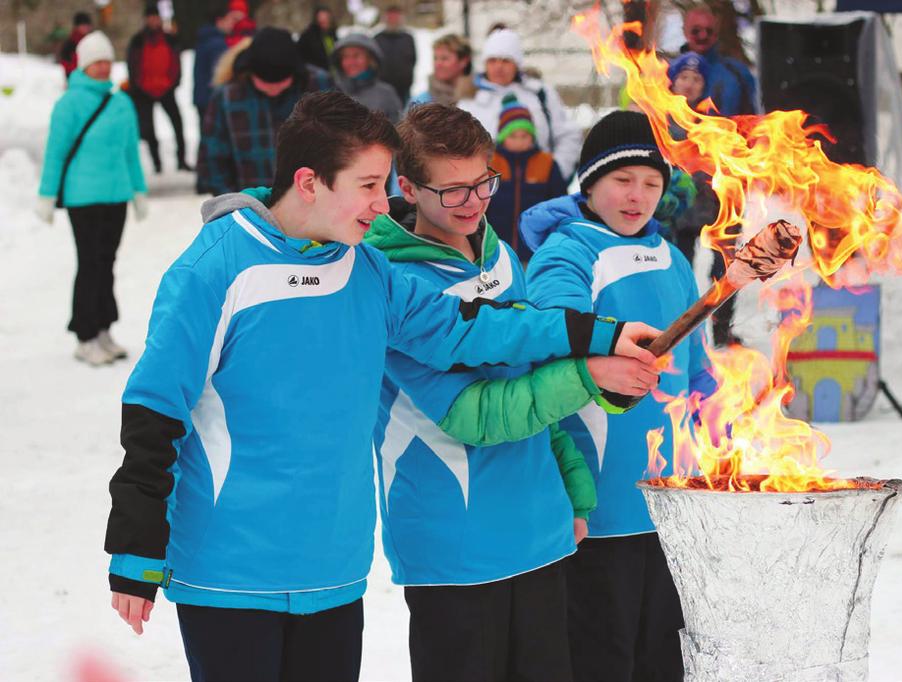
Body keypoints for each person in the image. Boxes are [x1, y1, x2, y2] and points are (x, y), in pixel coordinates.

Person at [102, 90, 658, 682]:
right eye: (369, 185)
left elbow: (472, 328)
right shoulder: (214, 269)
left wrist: (600, 335)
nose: (383, 201)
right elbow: (154, 408)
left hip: (334, 569)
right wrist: (136, 545)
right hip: (231, 571)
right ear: (310, 182)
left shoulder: (366, 267)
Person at [364, 102, 660, 682]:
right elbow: (475, 415)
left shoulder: (498, 251)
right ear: (408, 187)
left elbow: (533, 370)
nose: (474, 203)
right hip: (455, 546)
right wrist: (589, 374)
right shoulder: (391, 283)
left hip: (541, 531)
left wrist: (572, 492)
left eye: (483, 183)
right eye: (453, 191)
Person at [522, 110, 716, 682]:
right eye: (622, 180)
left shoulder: (673, 256)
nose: (637, 196)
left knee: (664, 655)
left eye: (651, 184)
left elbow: (697, 366)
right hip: (603, 505)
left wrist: (714, 431)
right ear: (590, 182)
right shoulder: (568, 251)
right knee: (602, 656)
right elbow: (554, 329)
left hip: (671, 500)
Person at [35, 31, 147, 366]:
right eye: (95, 62)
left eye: (105, 61)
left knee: (107, 262)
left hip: (116, 197)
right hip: (82, 198)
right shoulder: (69, 103)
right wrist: (46, 195)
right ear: (83, 65)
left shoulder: (121, 102)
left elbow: (131, 152)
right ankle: (84, 334)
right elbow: (54, 154)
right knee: (90, 263)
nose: (102, 68)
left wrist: (138, 191)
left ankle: (103, 329)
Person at [664, 49, 743, 346]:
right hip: (678, 213)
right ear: (673, 82)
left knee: (724, 271)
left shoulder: (714, 121)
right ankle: (679, 334)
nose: (689, 84)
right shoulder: (663, 121)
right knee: (679, 272)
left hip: (713, 208)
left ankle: (722, 330)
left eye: (696, 79)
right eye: (683, 77)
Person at [199, 27, 333, 196]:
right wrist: (231, 200)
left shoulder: (320, 85)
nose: (273, 88)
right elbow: (212, 157)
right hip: (249, 207)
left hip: (314, 203)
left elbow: (345, 143)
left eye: (280, 81)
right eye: (265, 81)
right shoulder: (227, 97)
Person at [459, 29, 582, 180]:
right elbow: (459, 149)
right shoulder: (469, 100)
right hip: (488, 191)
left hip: (539, 186)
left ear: (517, 63)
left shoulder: (539, 94)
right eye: (492, 60)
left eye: (505, 60)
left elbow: (567, 134)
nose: (498, 67)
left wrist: (557, 170)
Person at [487, 94, 567, 262]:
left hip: (535, 251)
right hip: (495, 251)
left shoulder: (547, 164)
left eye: (524, 136)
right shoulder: (490, 163)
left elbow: (559, 204)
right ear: (502, 136)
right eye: (513, 136)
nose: (519, 142)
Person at [127, 4, 189, 173]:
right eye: (150, 17)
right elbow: (132, 65)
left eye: (156, 17)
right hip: (144, 91)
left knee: (178, 124)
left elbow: (176, 61)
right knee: (149, 129)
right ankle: (157, 163)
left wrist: (173, 82)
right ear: (146, 19)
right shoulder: (137, 40)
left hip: (166, 89)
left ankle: (181, 159)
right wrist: (138, 86)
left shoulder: (170, 38)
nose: (154, 20)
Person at [680, 4, 757, 117]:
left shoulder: (737, 73)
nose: (703, 35)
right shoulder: (668, 74)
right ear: (685, 31)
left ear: (716, 33)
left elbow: (755, 116)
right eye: (696, 31)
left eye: (709, 31)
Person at [332, 33, 402, 124]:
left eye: (356, 56)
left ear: (371, 60)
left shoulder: (386, 94)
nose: (350, 62)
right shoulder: (330, 93)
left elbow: (398, 132)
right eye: (345, 57)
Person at [192, 6, 236, 122]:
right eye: (229, 20)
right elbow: (220, 75)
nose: (232, 24)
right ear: (220, 21)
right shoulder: (217, 44)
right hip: (211, 100)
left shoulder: (206, 38)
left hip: (202, 97)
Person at [408, 33, 472, 107]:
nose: (437, 64)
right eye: (435, 58)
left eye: (444, 58)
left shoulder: (479, 97)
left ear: (464, 61)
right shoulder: (421, 102)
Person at [373, 4, 417, 106]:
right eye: (390, 17)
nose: (393, 19)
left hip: (404, 88)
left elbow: (414, 59)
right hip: (382, 88)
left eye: (395, 17)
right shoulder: (377, 39)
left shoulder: (408, 38)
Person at [297, 5, 337, 74]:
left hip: (330, 68)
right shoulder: (308, 35)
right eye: (321, 17)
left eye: (326, 17)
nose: (323, 20)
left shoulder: (332, 34)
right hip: (315, 70)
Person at [58, 12, 92, 79]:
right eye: (83, 25)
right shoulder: (70, 43)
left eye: (87, 25)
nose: (86, 28)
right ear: (77, 26)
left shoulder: (92, 41)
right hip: (75, 79)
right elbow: (65, 63)